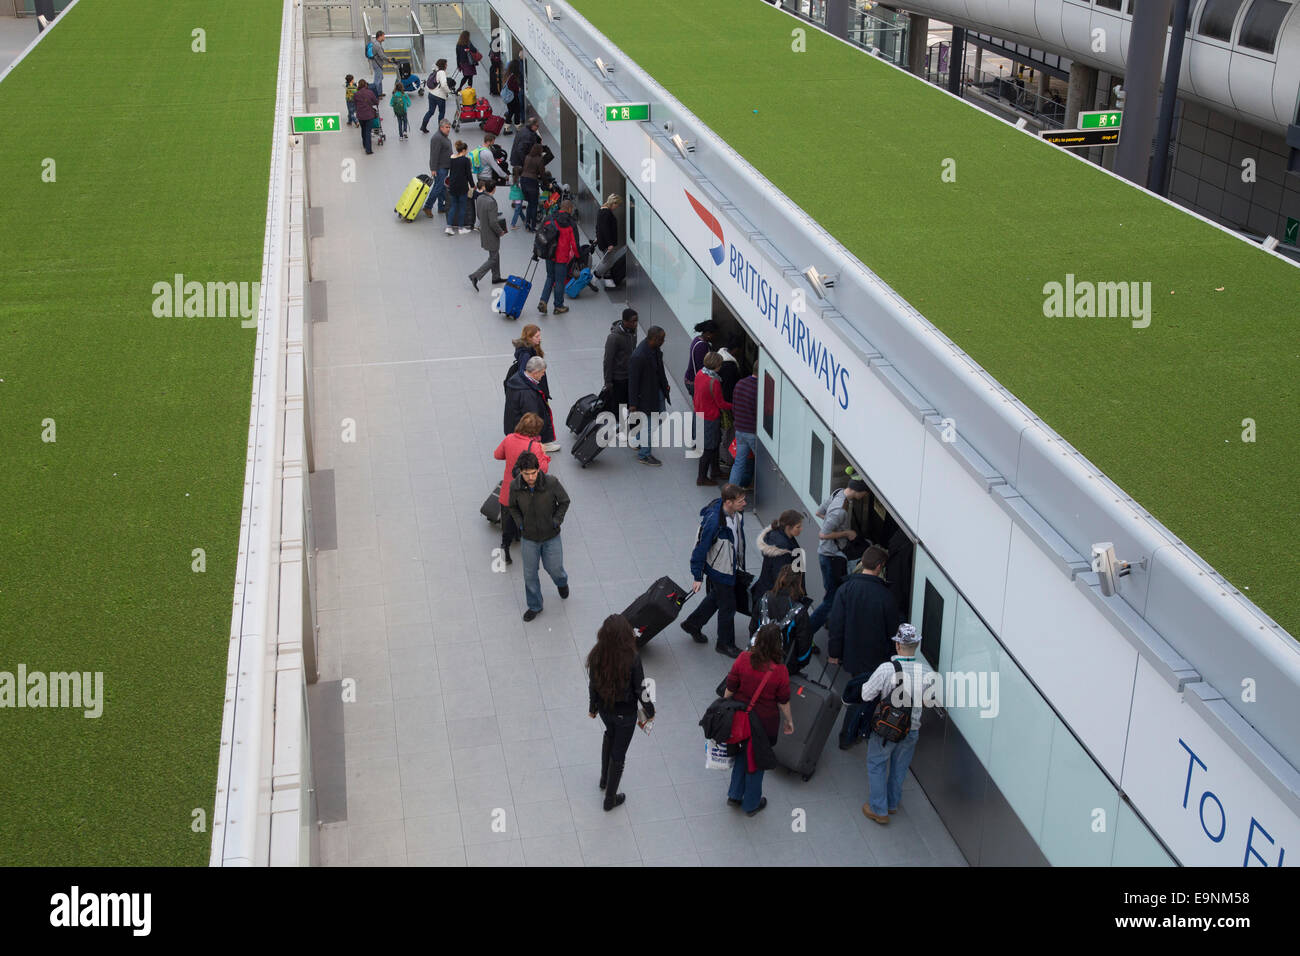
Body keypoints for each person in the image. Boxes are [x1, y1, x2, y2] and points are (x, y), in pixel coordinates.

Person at [827, 544, 901, 750]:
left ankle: (853, 733)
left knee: (858, 692)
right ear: (879, 567)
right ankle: (851, 734)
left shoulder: (846, 589)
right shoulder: (886, 596)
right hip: (877, 658)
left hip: (852, 654)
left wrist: (834, 653)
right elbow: (893, 633)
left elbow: (836, 625)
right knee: (865, 697)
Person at [858, 623, 927, 824]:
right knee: (900, 767)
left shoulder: (886, 669)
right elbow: (927, 700)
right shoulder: (926, 672)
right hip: (911, 729)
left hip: (885, 730)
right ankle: (892, 804)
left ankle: (878, 809)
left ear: (897, 645)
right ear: (916, 646)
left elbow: (866, 694)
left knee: (877, 764)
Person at [723, 623, 793, 816]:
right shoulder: (780, 671)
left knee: (741, 755)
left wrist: (723, 709)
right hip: (763, 725)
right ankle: (751, 804)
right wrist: (789, 721)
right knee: (756, 761)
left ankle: (735, 794)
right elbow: (783, 701)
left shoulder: (743, 658)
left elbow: (730, 687)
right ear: (778, 645)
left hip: (740, 719)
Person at [586, 615, 655, 812]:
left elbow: (593, 684)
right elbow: (640, 689)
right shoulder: (632, 657)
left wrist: (593, 708)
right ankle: (610, 799)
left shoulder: (597, 654)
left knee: (609, 735)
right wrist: (649, 710)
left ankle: (603, 779)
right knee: (619, 754)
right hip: (626, 714)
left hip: (605, 710)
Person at [682, 483, 748, 657]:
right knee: (728, 606)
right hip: (721, 570)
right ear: (728, 502)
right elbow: (700, 548)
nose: (745, 503)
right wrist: (697, 576)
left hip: (728, 566)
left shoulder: (736, 514)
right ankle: (725, 643)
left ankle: (693, 624)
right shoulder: (714, 522)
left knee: (716, 598)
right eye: (741, 501)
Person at [507, 451, 570, 621]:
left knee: (555, 568)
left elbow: (564, 501)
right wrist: (521, 524)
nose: (530, 477)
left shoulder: (551, 483)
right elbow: (512, 506)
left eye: (533, 473)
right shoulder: (515, 486)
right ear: (520, 472)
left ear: (538, 469)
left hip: (551, 535)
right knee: (530, 575)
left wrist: (556, 521)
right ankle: (535, 605)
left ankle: (562, 582)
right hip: (529, 538)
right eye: (526, 474)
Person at [808, 478, 871, 635]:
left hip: (827, 554)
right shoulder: (839, 511)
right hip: (831, 556)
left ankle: (830, 620)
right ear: (858, 490)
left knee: (831, 592)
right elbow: (823, 534)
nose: (864, 496)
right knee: (831, 598)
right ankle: (807, 631)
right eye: (864, 493)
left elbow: (819, 512)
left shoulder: (838, 493)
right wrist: (845, 532)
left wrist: (834, 524)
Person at [493, 413, 551, 565]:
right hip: (526, 493)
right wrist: (544, 455)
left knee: (508, 519)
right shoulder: (536, 447)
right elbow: (543, 469)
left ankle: (505, 546)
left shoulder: (509, 438)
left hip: (508, 490)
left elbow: (497, 455)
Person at [749, 565, 814, 675]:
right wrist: (800, 664)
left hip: (760, 655)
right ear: (799, 583)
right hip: (785, 664)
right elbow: (805, 642)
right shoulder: (800, 611)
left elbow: (753, 627)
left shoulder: (763, 600)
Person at [626, 325, 669, 466]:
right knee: (649, 426)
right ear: (655, 339)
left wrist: (665, 385)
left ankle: (639, 439)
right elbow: (633, 382)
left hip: (657, 391)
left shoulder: (655, 349)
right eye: (662, 339)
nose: (664, 341)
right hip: (646, 397)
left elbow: (660, 370)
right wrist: (633, 404)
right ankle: (644, 454)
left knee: (660, 417)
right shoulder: (639, 356)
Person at [504, 356, 559, 450]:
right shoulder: (527, 393)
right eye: (542, 372)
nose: (543, 375)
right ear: (535, 373)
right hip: (523, 434)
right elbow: (531, 418)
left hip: (513, 425)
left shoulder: (517, 378)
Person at [693, 352, 731, 486]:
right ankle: (702, 478)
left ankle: (715, 471)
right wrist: (734, 405)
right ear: (717, 365)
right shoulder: (714, 382)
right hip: (710, 418)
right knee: (709, 448)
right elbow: (721, 403)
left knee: (713, 445)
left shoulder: (700, 374)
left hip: (699, 413)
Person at [752, 509, 804, 601]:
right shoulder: (782, 550)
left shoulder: (777, 535)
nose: (801, 529)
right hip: (775, 598)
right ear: (788, 527)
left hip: (765, 590)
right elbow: (781, 578)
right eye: (798, 527)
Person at [536, 200, 578, 315]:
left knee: (550, 277)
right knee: (559, 281)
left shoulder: (549, 218)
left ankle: (543, 301)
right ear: (569, 209)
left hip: (549, 254)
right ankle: (558, 306)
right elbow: (575, 243)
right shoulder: (570, 223)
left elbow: (540, 234)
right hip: (562, 257)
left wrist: (537, 252)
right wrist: (578, 257)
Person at [468, 180, 508, 289]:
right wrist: (500, 231)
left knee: (494, 254)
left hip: (484, 230)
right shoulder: (491, 202)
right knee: (493, 258)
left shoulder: (480, 198)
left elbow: (479, 215)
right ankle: (475, 276)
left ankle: (496, 276)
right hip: (491, 233)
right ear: (494, 189)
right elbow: (493, 222)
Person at [602, 308, 638, 418]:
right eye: (633, 321)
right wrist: (608, 382)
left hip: (630, 376)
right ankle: (619, 429)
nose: (636, 324)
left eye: (637, 320)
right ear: (625, 321)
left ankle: (631, 429)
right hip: (619, 379)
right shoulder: (614, 338)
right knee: (620, 407)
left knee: (631, 405)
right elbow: (608, 360)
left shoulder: (633, 332)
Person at [729, 369, 758, 488]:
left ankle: (730, 491)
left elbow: (734, 405)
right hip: (752, 431)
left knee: (739, 463)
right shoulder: (759, 388)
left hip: (740, 429)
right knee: (763, 466)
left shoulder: (740, 383)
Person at [423, 119, 453, 219]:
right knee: (438, 188)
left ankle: (441, 207)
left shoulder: (443, 136)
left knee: (442, 188)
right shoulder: (437, 138)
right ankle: (428, 206)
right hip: (440, 168)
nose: (449, 129)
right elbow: (434, 155)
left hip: (444, 166)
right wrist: (433, 168)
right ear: (441, 128)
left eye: (449, 127)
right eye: (447, 127)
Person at [683, 320, 719, 399]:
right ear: (708, 334)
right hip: (694, 382)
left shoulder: (698, 339)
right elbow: (702, 368)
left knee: (698, 407)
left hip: (690, 378)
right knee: (699, 409)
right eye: (714, 334)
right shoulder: (702, 346)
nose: (715, 337)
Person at [595, 194, 625, 289]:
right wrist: (609, 244)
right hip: (606, 243)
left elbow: (598, 227)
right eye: (618, 205)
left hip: (603, 241)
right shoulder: (606, 212)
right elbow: (605, 229)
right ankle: (595, 275)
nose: (617, 207)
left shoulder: (602, 209)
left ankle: (607, 279)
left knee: (607, 260)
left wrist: (598, 237)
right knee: (609, 262)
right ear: (613, 203)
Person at [445, 140, 473, 235]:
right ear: (464, 150)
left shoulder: (452, 159)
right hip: (462, 187)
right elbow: (469, 175)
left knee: (453, 206)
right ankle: (461, 228)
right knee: (462, 207)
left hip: (453, 186)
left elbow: (451, 172)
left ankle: (449, 227)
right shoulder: (466, 160)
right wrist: (473, 186)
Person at [419, 58, 451, 133]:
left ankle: (423, 126)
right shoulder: (442, 72)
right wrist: (448, 92)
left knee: (430, 111)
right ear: (444, 65)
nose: (447, 65)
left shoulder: (436, 71)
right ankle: (441, 130)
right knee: (441, 112)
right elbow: (443, 85)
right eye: (446, 64)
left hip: (431, 94)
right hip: (440, 96)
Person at [519, 143, 545, 231]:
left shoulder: (527, 157)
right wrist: (547, 182)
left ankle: (527, 224)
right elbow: (542, 173)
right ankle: (533, 226)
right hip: (532, 182)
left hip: (523, 180)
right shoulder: (539, 159)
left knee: (530, 203)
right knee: (534, 204)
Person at [510, 116, 542, 183]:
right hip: (519, 162)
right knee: (522, 180)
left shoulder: (525, 129)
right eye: (537, 126)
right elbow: (520, 150)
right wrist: (526, 163)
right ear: (533, 125)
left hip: (516, 158)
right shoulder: (527, 136)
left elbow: (534, 136)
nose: (538, 127)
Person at [352, 79, 380, 154]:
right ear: (365, 85)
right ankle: (368, 149)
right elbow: (376, 102)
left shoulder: (356, 94)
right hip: (369, 115)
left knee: (363, 130)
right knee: (368, 131)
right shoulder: (370, 92)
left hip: (360, 116)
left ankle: (364, 144)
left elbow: (354, 103)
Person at [503, 54, 525, 126]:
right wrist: (518, 89)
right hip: (513, 97)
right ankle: (516, 125)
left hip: (509, 97)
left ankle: (509, 126)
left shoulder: (508, 74)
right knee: (516, 111)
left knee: (512, 111)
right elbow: (512, 86)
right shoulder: (513, 76)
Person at [367, 31, 389, 97]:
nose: (384, 37)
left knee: (380, 78)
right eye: (383, 36)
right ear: (380, 36)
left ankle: (379, 93)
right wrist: (388, 59)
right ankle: (375, 94)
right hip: (377, 64)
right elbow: (382, 56)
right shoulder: (377, 45)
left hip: (376, 63)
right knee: (377, 80)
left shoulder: (375, 42)